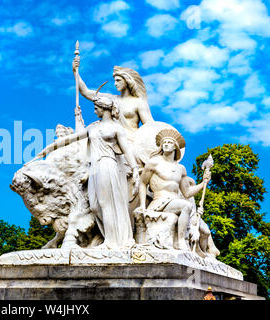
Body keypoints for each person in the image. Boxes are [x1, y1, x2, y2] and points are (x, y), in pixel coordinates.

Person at [29, 95, 140, 250]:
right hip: (94, 169)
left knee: (105, 204)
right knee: (95, 207)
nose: (94, 112)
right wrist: (48, 149)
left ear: (104, 108)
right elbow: (71, 139)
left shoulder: (116, 128)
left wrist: (135, 169)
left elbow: (126, 149)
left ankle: (111, 242)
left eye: (96, 108)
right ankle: (110, 236)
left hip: (107, 165)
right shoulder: (92, 128)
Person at [136, 128, 211, 251]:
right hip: (159, 202)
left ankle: (185, 241)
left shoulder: (180, 169)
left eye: (169, 142)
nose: (166, 144)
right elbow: (143, 183)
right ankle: (180, 242)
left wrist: (203, 183)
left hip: (174, 201)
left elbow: (187, 192)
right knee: (186, 206)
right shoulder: (153, 163)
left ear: (175, 147)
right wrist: (143, 206)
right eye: (164, 142)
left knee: (189, 209)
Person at [72, 57, 153, 144]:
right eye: (115, 81)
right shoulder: (111, 99)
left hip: (130, 140)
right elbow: (86, 92)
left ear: (127, 81)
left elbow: (149, 125)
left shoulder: (138, 102)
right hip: (110, 139)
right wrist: (75, 71)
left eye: (118, 80)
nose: (115, 84)